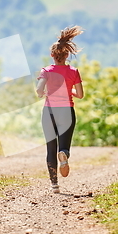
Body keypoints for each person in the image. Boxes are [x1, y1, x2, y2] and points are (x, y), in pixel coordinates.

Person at [36, 26, 84, 193]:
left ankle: (54, 184)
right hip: (67, 111)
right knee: (63, 147)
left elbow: (39, 91)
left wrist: (44, 92)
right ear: (67, 55)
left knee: (50, 148)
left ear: (52, 55)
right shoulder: (73, 72)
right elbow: (80, 94)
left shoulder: (46, 71)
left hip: (49, 112)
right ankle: (64, 154)